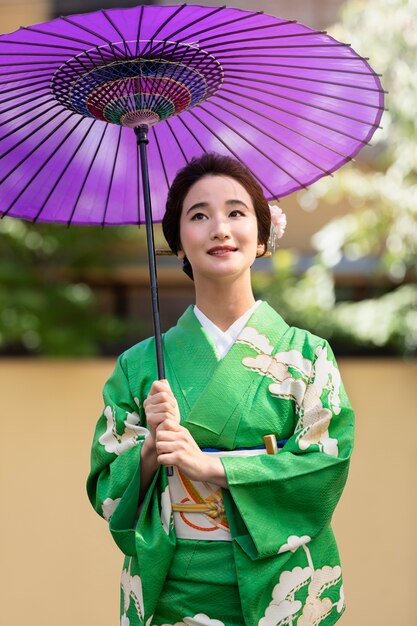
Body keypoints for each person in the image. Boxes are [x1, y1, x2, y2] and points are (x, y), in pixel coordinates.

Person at [87, 153, 354, 626]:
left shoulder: (308, 356)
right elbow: (108, 488)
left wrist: (208, 465)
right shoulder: (139, 366)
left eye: (236, 212)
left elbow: (324, 467)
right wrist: (150, 449)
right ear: (178, 244)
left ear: (263, 235)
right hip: (172, 590)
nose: (220, 228)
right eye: (199, 216)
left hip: (281, 589)